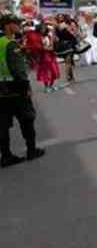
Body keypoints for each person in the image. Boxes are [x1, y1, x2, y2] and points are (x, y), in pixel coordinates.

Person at [1, 14, 45, 168]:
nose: (18, 26)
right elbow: (18, 69)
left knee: (3, 125)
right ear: (8, 25)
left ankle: (5, 156)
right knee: (27, 119)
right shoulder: (10, 44)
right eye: (16, 23)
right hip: (15, 89)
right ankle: (31, 150)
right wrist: (26, 87)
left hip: (1, 91)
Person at [36, 24, 60, 92]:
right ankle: (46, 87)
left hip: (51, 55)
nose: (43, 30)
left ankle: (51, 85)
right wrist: (46, 48)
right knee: (45, 72)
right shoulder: (38, 37)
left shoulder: (49, 36)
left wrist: (50, 46)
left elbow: (52, 45)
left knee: (54, 71)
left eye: (44, 28)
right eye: (41, 29)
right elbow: (39, 47)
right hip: (43, 57)